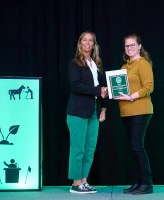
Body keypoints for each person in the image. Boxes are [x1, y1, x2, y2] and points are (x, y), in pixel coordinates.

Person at [66, 31, 107, 194]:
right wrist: (98, 91)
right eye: (85, 40)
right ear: (80, 43)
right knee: (78, 148)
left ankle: (84, 181)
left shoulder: (96, 64)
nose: (88, 43)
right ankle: (76, 183)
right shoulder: (74, 63)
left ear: (94, 44)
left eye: (91, 40)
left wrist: (103, 108)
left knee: (90, 148)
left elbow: (102, 89)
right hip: (77, 111)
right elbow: (75, 85)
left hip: (94, 112)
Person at [116, 33, 154, 195]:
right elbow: (120, 88)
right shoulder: (124, 67)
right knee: (133, 148)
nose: (129, 48)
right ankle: (137, 183)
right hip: (126, 112)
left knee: (137, 147)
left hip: (141, 109)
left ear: (139, 46)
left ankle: (147, 184)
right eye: (127, 46)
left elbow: (149, 87)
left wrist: (131, 96)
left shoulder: (143, 63)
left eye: (132, 45)